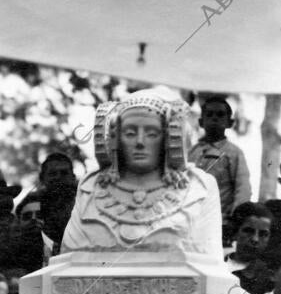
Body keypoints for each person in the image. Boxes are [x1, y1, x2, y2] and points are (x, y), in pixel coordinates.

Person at [62, 91, 223, 259]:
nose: (140, 142)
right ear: (115, 139)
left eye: (151, 133)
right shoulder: (90, 187)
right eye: (130, 133)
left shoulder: (198, 188)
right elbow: (70, 253)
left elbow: (207, 257)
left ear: (168, 139)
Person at [189, 96, 251, 244]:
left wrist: (234, 221)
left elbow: (243, 189)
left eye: (220, 115)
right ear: (201, 122)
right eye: (209, 115)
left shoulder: (234, 153)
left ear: (230, 122)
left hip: (220, 223)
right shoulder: (192, 152)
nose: (214, 119)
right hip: (191, 221)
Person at [226, 201, 274, 294]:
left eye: (263, 234)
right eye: (248, 231)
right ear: (235, 232)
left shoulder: (266, 279)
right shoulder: (219, 263)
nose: (255, 239)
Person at [38, 154, 78, 254]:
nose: (58, 177)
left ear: (73, 177)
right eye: (52, 173)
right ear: (42, 178)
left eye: (64, 173)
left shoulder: (85, 201)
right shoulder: (31, 205)